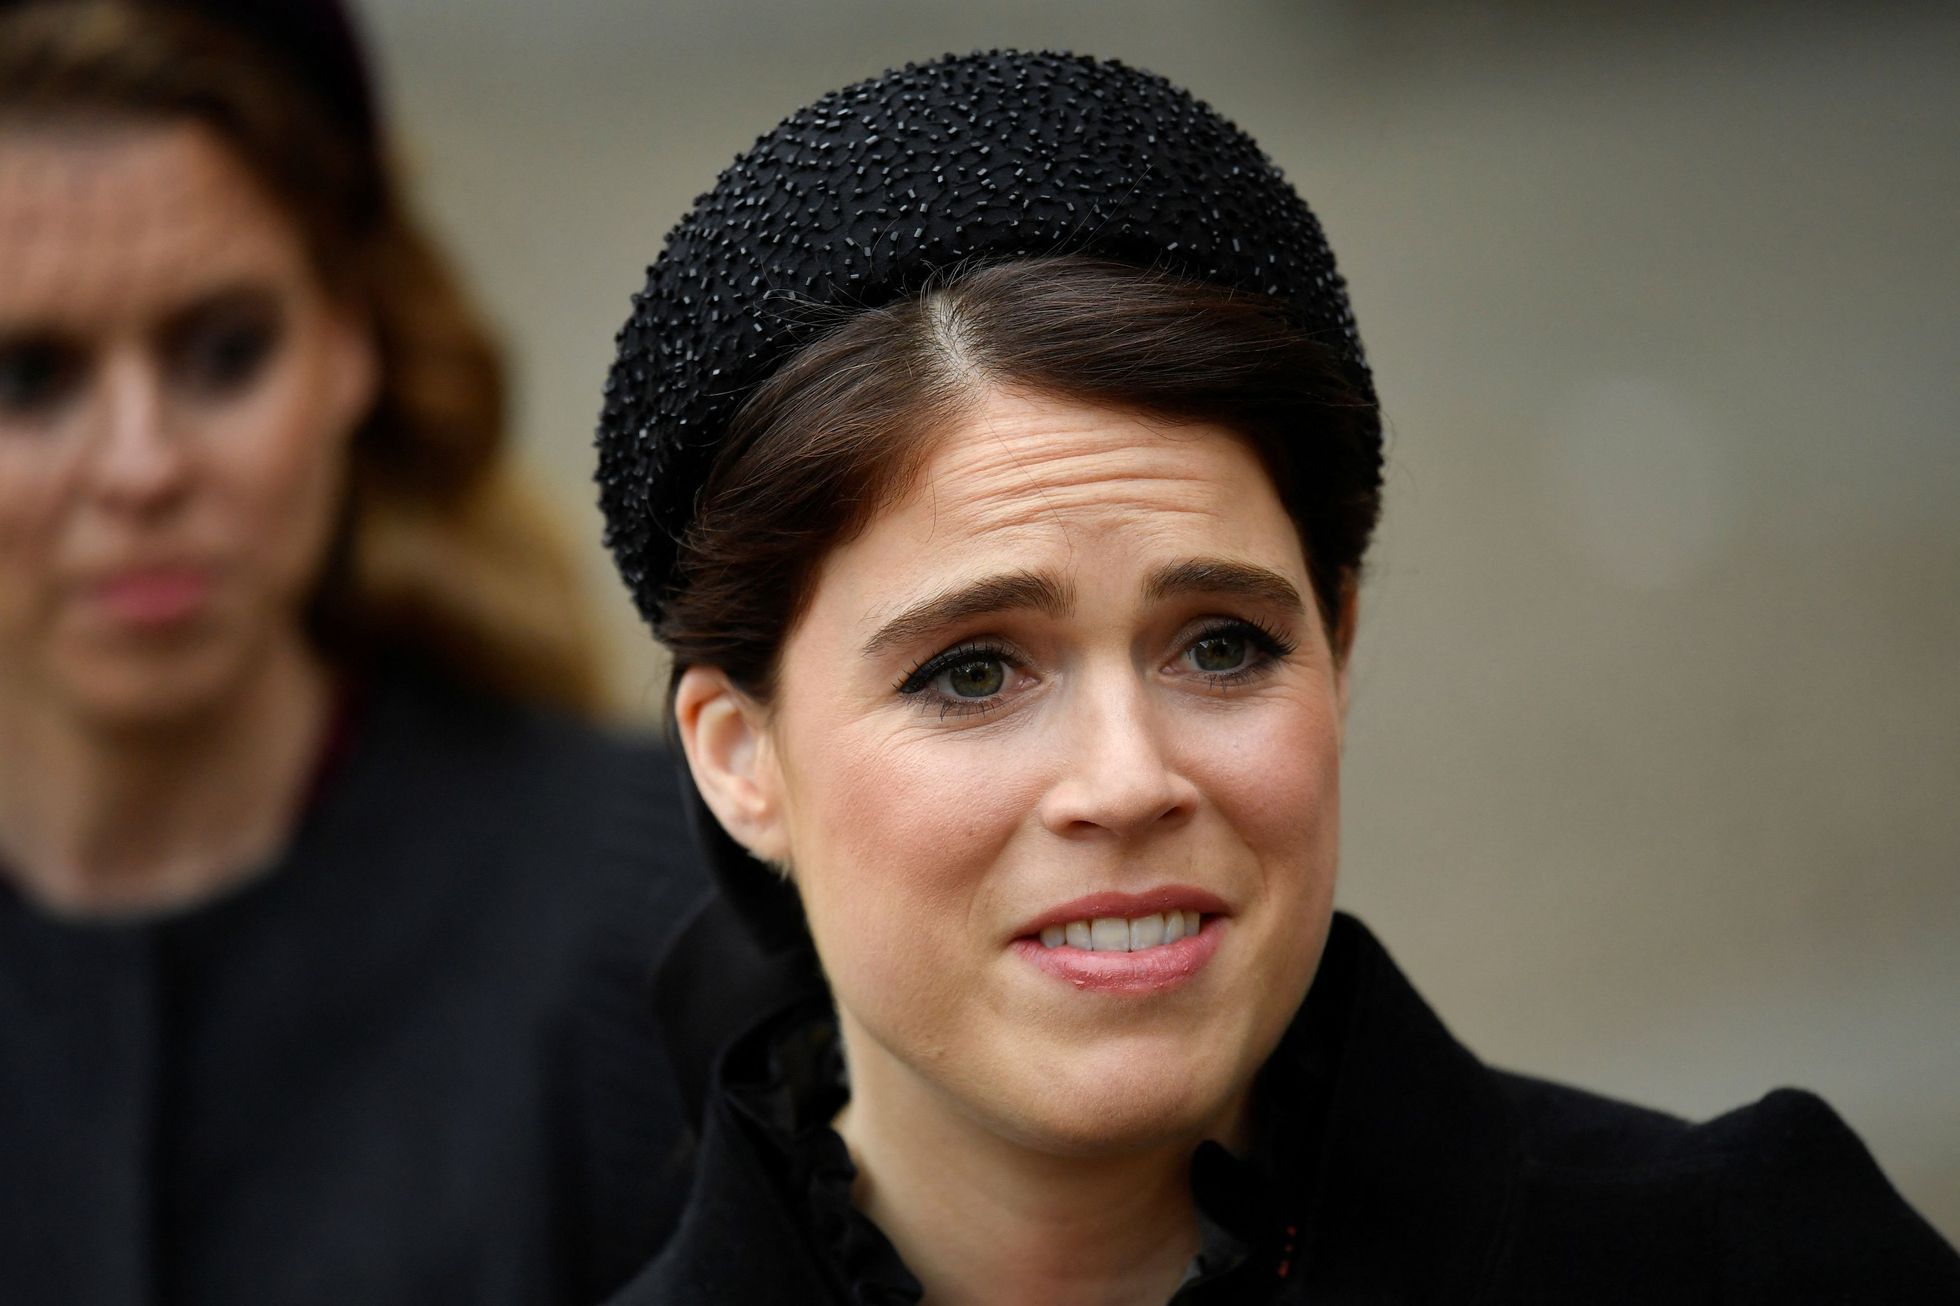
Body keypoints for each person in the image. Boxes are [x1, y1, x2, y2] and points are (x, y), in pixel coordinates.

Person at [589, 51, 1960, 1304]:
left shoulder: (1747, 1272)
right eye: (972, 671)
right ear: (736, 755)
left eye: (1221, 644)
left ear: (1341, 641)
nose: (1129, 777)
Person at [0, 2, 703, 1302]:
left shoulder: (664, 916)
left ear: (351, 345)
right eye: (28, 378)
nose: (141, 465)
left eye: (225, 350)